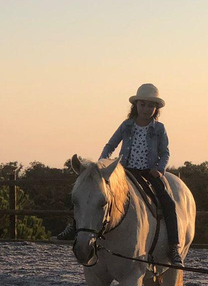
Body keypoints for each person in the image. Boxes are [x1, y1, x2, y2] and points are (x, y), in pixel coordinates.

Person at [56, 83, 183, 266]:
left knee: (168, 204)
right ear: (136, 105)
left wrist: (160, 169)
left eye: (150, 105)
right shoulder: (126, 126)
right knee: (89, 196)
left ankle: (173, 247)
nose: (146, 109)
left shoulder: (159, 129)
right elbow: (110, 145)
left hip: (149, 173)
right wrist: (101, 164)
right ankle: (74, 227)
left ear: (156, 109)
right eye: (142, 104)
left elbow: (165, 152)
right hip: (123, 172)